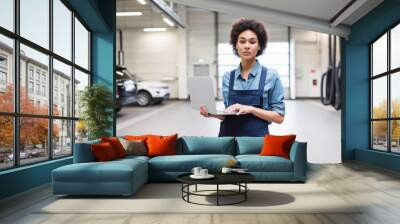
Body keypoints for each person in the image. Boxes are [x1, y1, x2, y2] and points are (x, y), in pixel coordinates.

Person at [200, 18, 285, 137]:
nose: (247, 46)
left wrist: (251, 109)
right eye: (242, 41)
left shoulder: (271, 76)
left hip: (256, 142)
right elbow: (228, 115)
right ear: (236, 45)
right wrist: (212, 114)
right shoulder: (227, 77)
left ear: (259, 46)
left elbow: (279, 117)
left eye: (252, 42)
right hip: (228, 140)